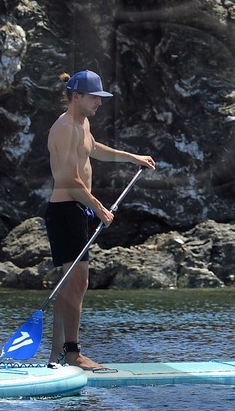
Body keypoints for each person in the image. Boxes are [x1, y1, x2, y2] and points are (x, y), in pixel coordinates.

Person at [45, 70, 156, 370]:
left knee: (71, 285)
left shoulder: (83, 124)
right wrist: (98, 207)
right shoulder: (66, 127)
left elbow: (95, 150)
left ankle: (56, 357)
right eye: (95, 97)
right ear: (77, 96)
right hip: (66, 211)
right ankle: (72, 353)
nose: (99, 102)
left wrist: (132, 157)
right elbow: (69, 179)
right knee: (78, 283)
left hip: (76, 212)